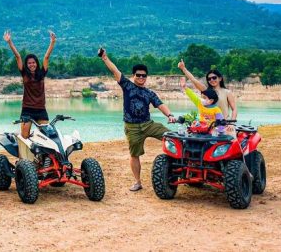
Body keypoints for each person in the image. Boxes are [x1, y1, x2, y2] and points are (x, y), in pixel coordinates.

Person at [99, 48, 177, 191]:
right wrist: (105, 58)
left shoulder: (149, 93)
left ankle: (180, 170)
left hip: (148, 124)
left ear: (147, 77)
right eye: (139, 75)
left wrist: (170, 115)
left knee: (172, 138)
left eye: (144, 76)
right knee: (134, 155)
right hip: (132, 127)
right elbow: (115, 71)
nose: (141, 77)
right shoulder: (127, 86)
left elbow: (160, 104)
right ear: (133, 75)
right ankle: (137, 182)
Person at [4, 29, 56, 142]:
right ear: (27, 65)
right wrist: (9, 42)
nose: (31, 64)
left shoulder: (42, 73)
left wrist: (52, 43)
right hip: (27, 109)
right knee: (24, 136)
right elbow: (18, 56)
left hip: (41, 109)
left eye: (33, 62)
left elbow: (46, 57)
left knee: (46, 136)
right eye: (29, 63)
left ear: (36, 63)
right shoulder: (24, 74)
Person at [178, 59, 237, 123]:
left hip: (223, 125)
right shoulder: (206, 91)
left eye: (214, 78)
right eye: (209, 79)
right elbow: (193, 79)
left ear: (220, 78)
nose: (211, 80)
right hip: (208, 126)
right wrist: (183, 68)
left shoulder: (227, 92)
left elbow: (234, 109)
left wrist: (231, 123)